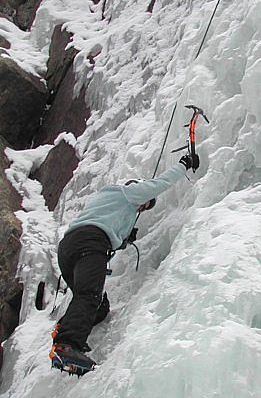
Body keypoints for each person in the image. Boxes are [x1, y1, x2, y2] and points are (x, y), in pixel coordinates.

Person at [49, 154, 198, 375]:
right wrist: (183, 165)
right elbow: (159, 184)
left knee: (98, 306)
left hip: (69, 248)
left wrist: (124, 238)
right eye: (144, 205)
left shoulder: (108, 201)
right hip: (90, 243)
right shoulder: (127, 192)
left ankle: (65, 328)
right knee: (89, 295)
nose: (141, 208)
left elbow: (108, 224)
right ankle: (66, 345)